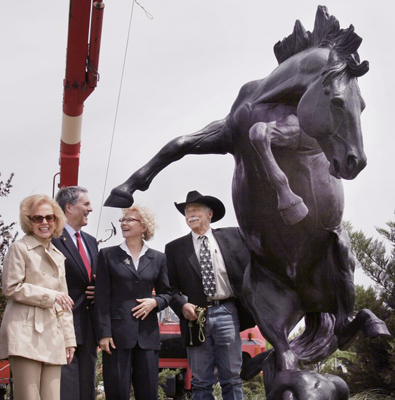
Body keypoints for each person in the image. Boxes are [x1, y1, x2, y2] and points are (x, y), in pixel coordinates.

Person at [165, 190, 255, 400]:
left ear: (210, 214)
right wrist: (181, 306)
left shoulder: (235, 236)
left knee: (232, 376)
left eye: (196, 209)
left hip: (227, 311)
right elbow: (170, 288)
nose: (191, 214)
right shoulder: (175, 248)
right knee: (200, 380)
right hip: (195, 317)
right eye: (187, 211)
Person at [0, 194, 76, 400]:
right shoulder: (19, 248)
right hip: (24, 333)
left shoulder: (58, 256)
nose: (44, 222)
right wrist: (51, 295)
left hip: (53, 335)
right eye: (37, 218)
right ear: (29, 221)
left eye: (49, 217)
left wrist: (69, 340)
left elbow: (65, 302)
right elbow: (11, 287)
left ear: (56, 220)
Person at [95, 204, 172, 400]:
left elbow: (167, 294)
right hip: (116, 337)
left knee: (148, 393)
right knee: (117, 393)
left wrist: (155, 303)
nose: (124, 223)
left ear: (144, 226)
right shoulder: (107, 255)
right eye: (123, 220)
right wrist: (104, 334)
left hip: (148, 336)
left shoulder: (158, 258)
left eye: (130, 220)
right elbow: (101, 297)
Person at [52, 186, 98, 400]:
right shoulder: (52, 239)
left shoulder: (90, 241)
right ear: (69, 208)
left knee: (86, 388)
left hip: (88, 329)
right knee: (67, 390)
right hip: (63, 326)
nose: (90, 208)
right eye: (86, 204)